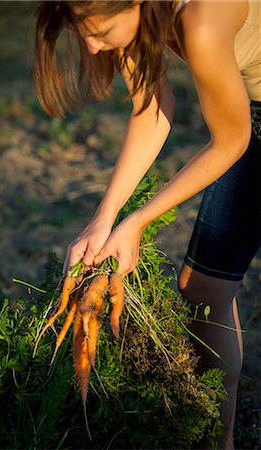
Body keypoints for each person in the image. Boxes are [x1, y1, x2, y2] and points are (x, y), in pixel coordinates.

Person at [34, 1, 261, 448]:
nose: (94, 48)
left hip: (245, 129)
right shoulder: (139, 12)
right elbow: (151, 107)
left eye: (100, 33)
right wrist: (105, 219)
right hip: (254, 114)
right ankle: (220, 443)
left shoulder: (201, 17)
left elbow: (231, 140)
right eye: (84, 35)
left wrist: (137, 222)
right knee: (203, 290)